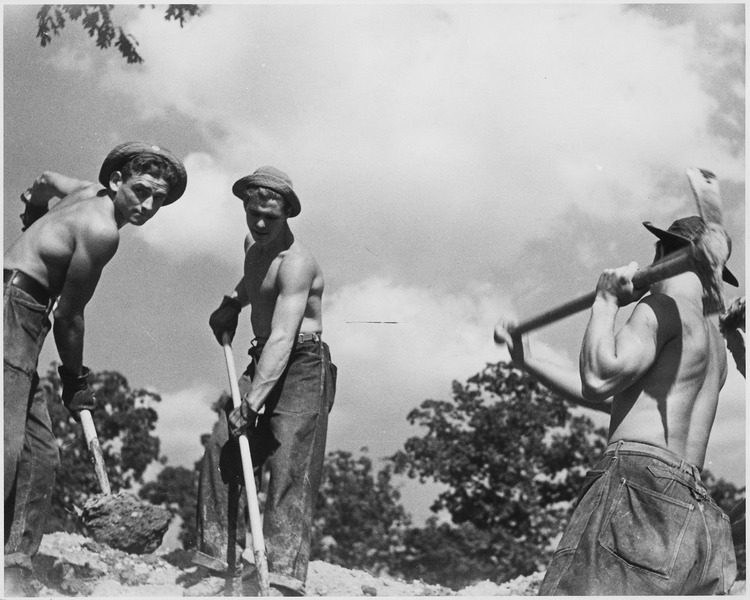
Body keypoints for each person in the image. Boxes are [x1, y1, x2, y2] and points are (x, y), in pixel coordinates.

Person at [497, 215, 738, 595]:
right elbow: (620, 400)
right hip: (695, 514)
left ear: (663, 254)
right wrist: (527, 360)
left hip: (637, 487)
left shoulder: (660, 306)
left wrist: (606, 300)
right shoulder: (715, 348)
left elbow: (597, 379)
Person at [4, 142, 187, 595]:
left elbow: (45, 176)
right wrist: (74, 379)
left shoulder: (84, 191)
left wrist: (31, 220)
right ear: (117, 181)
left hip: (23, 314)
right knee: (6, 443)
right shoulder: (103, 230)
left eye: (158, 199)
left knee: (40, 452)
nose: (147, 205)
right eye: (141, 191)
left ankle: (15, 564)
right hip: (15, 309)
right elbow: (69, 315)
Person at [201, 166, 336, 597]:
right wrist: (232, 303)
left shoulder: (297, 263)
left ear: (287, 215)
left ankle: (280, 579)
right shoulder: (253, 245)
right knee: (222, 442)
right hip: (266, 355)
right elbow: (253, 281)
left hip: (301, 363)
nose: (259, 224)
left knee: (289, 460)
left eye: (270, 218)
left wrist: (252, 403)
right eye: (253, 213)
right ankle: (216, 563)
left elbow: (284, 335)